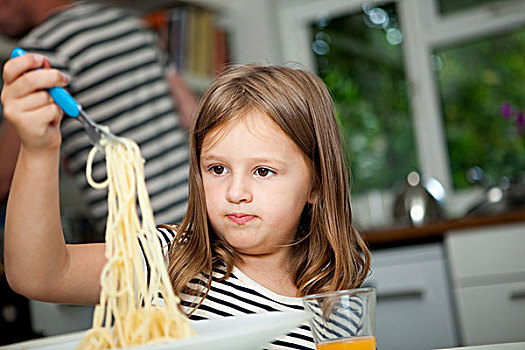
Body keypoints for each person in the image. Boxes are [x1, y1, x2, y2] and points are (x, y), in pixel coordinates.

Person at [2, 61, 371, 349]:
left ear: (316, 185)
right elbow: (39, 274)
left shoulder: (333, 291)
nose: (235, 191)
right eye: (217, 168)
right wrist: (38, 150)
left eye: (262, 171)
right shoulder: (169, 261)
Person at [0, 0, 197, 237]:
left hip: (143, 236)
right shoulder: (132, 25)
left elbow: (4, 177)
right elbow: (193, 116)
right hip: (198, 210)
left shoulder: (42, 52)